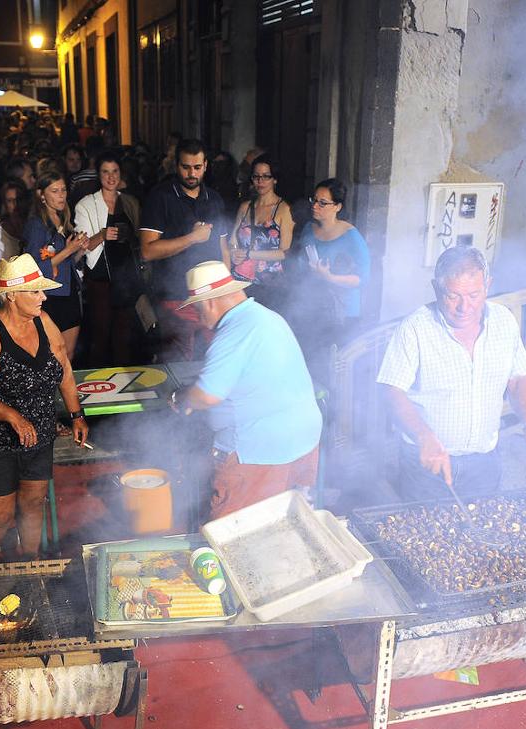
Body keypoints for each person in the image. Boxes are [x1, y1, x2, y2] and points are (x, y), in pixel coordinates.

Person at [376, 246, 526, 501]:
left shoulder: (504, 322)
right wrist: (424, 436)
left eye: (474, 295)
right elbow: (391, 390)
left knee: (481, 534)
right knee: (427, 536)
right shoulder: (415, 328)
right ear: (436, 288)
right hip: (427, 464)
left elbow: (517, 380)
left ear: (487, 285)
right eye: (452, 296)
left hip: (485, 462)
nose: (464, 307)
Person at [0, 254, 88, 561]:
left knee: (33, 501)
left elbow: (63, 368)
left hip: (39, 431)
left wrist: (76, 414)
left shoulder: (43, 322)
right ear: (11, 295)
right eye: (35, 291)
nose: (43, 296)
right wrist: (12, 417)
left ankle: (30, 562)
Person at [169, 261, 322, 519]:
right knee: (288, 525)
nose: (198, 317)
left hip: (259, 452)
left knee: (235, 535)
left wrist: (182, 397)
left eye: (197, 309)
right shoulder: (267, 317)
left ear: (209, 302)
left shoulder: (233, 331)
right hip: (303, 442)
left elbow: (207, 395)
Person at [139, 139, 228, 361]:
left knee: (214, 358)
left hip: (211, 296)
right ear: (176, 166)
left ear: (206, 166)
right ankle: (176, 397)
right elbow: (147, 251)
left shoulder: (214, 199)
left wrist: (227, 291)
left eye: (197, 168)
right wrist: (192, 238)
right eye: (186, 167)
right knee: (181, 361)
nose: (191, 173)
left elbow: (223, 248)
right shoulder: (160, 197)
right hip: (175, 296)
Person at [74, 152, 141, 366]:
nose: (111, 177)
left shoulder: (129, 201)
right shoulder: (86, 204)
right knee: (100, 335)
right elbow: (81, 247)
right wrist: (102, 234)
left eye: (115, 172)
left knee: (124, 336)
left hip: (126, 276)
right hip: (100, 278)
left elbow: (139, 236)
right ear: (98, 175)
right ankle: (99, 384)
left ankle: (124, 382)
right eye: (105, 172)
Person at [296, 178, 372, 353]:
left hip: (342, 313)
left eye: (323, 203)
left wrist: (330, 277)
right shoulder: (309, 228)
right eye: (314, 200)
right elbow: (301, 262)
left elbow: (363, 279)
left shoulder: (351, 237)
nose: (315, 206)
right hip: (313, 306)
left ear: (337, 207)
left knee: (334, 363)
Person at [23, 170, 89, 358]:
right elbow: (34, 266)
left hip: (69, 294)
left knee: (68, 355)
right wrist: (68, 250)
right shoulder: (37, 225)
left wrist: (79, 250)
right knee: (51, 355)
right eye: (55, 191)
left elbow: (68, 264)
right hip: (49, 297)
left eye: (63, 190)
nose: (61, 195)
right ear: (41, 195)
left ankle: (66, 388)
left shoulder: (64, 220)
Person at [222, 155, 292, 311]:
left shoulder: (283, 210)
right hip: (241, 280)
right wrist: (233, 251)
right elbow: (233, 238)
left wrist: (249, 254)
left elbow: (284, 252)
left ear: (275, 179)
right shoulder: (245, 207)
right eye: (256, 176)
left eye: (266, 176)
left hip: (270, 284)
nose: (260, 181)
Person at [0, 178, 28, 280]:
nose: (15, 204)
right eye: (10, 201)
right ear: (4, 204)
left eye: (18, 199)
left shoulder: (33, 226)